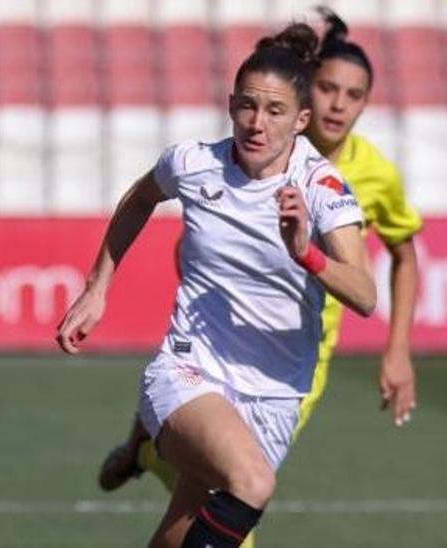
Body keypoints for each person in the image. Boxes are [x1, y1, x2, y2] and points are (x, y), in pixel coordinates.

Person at [96, 12, 421, 546]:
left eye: (353, 94)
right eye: (250, 105)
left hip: (289, 374)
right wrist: (98, 286)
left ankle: (148, 448)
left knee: (188, 524)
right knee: (248, 488)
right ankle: (151, 436)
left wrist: (393, 345)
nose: (339, 105)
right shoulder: (207, 161)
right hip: (198, 363)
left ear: (299, 115)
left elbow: (370, 287)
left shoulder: (339, 181)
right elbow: (150, 203)